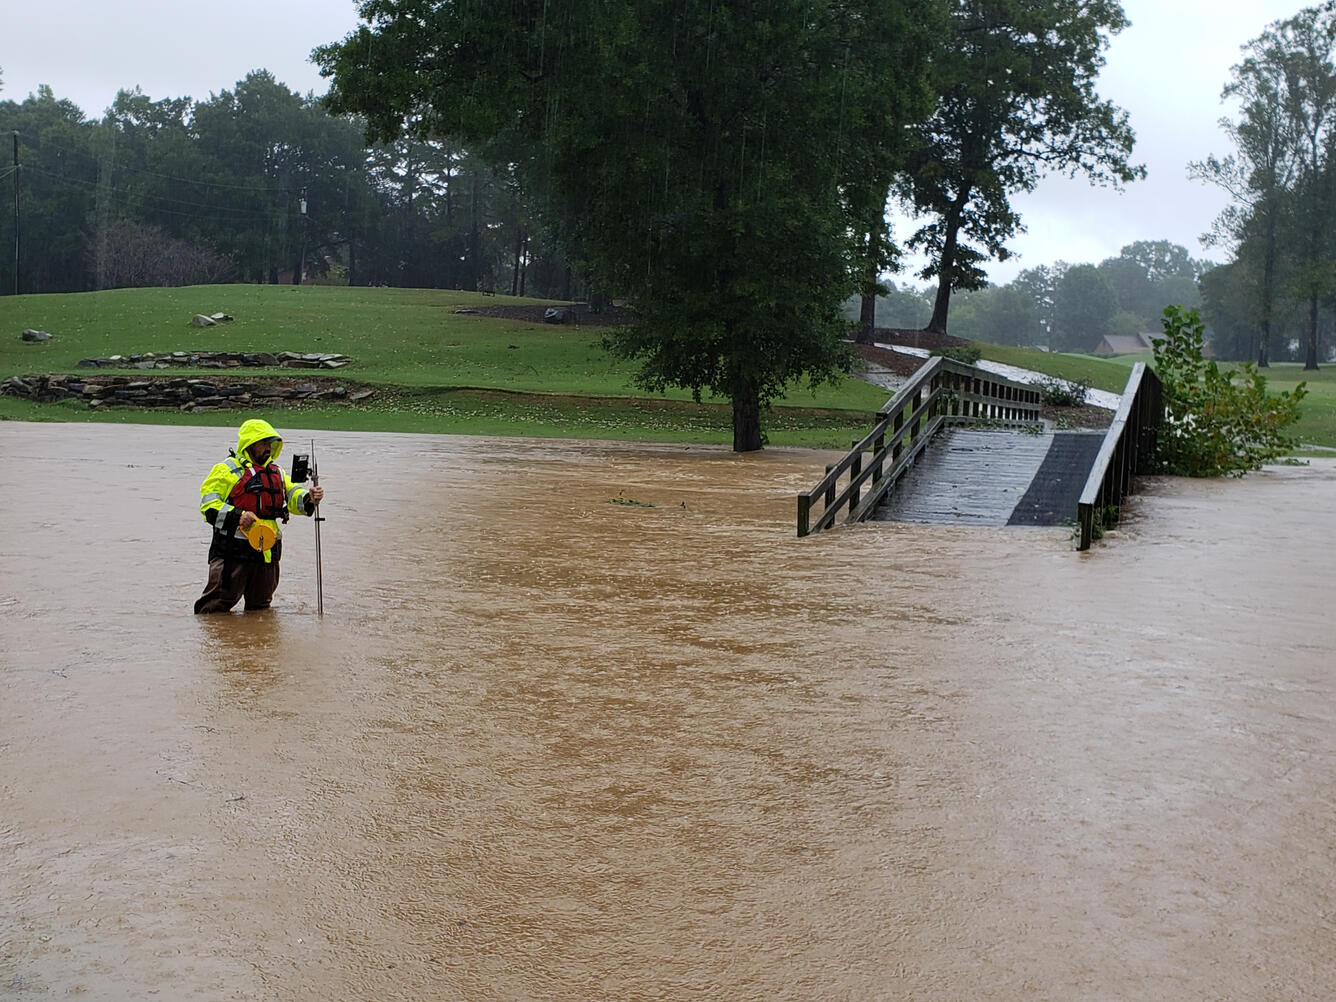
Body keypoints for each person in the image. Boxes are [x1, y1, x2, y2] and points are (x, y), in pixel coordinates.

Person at [194, 418, 324, 614]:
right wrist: (238, 516)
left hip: (267, 551)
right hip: (232, 551)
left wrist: (310, 498)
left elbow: (293, 496)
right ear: (250, 444)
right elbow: (209, 506)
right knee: (214, 608)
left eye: (270, 444)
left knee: (260, 608)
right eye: (263, 443)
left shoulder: (277, 472)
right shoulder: (226, 470)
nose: (268, 448)